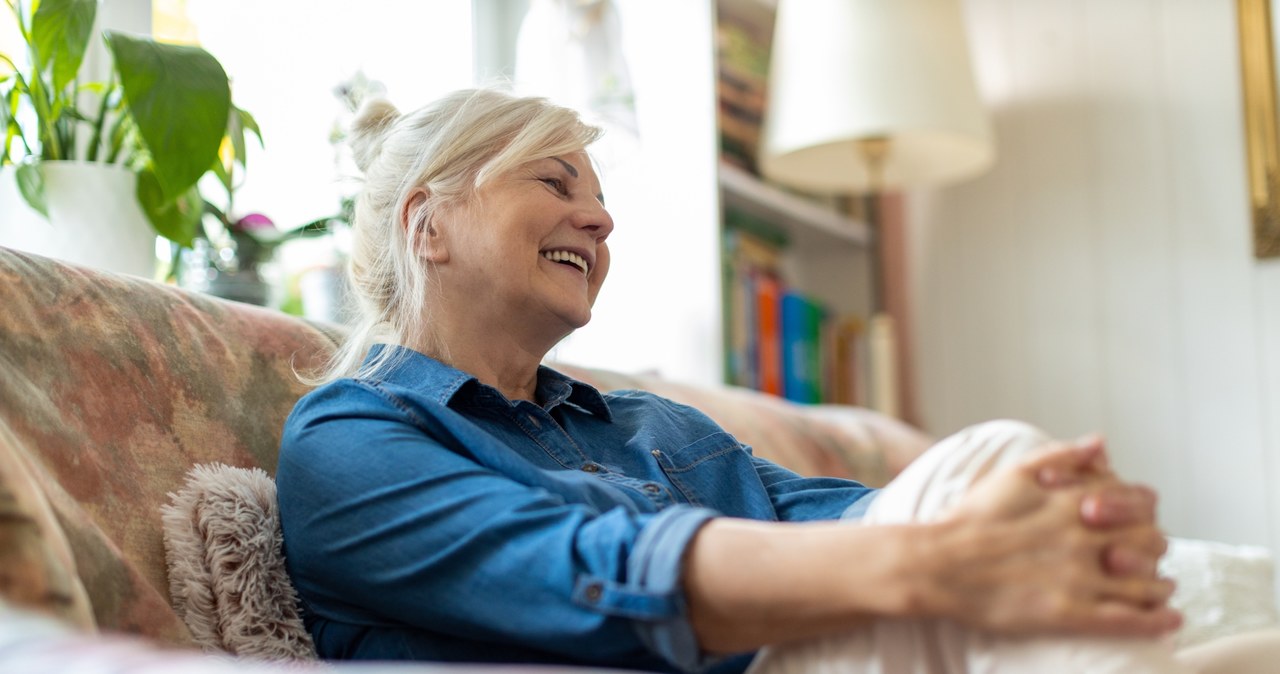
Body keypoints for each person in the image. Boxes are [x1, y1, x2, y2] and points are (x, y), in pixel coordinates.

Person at [274, 88, 1265, 673]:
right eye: (554, 183)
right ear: (428, 225)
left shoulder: (653, 427)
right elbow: (585, 565)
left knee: (1018, 488)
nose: (600, 221)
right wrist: (940, 557)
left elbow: (846, 513)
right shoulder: (348, 436)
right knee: (995, 472)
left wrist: (1022, 525)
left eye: (601, 196)